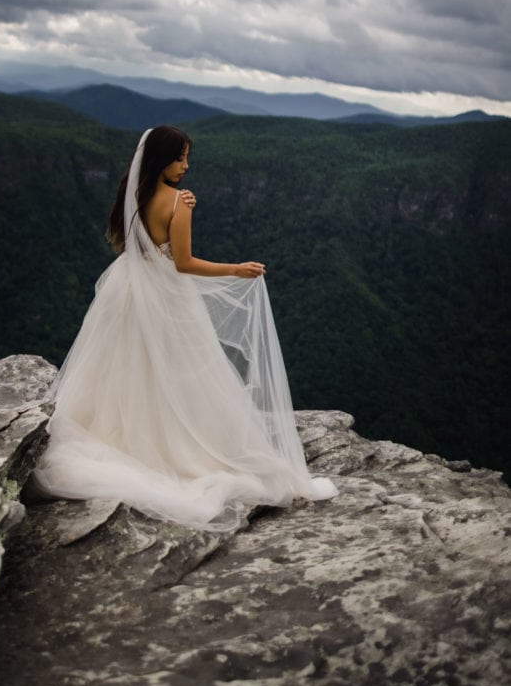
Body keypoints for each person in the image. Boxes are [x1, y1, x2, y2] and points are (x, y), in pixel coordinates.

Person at [33, 126, 337, 530]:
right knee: (180, 372)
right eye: (180, 158)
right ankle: (171, 448)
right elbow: (184, 263)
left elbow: (133, 246)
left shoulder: (134, 196)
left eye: (187, 158)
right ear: (161, 160)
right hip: (164, 295)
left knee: (122, 367)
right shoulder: (179, 202)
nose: (186, 166)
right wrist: (237, 269)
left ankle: (118, 439)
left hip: (125, 291)